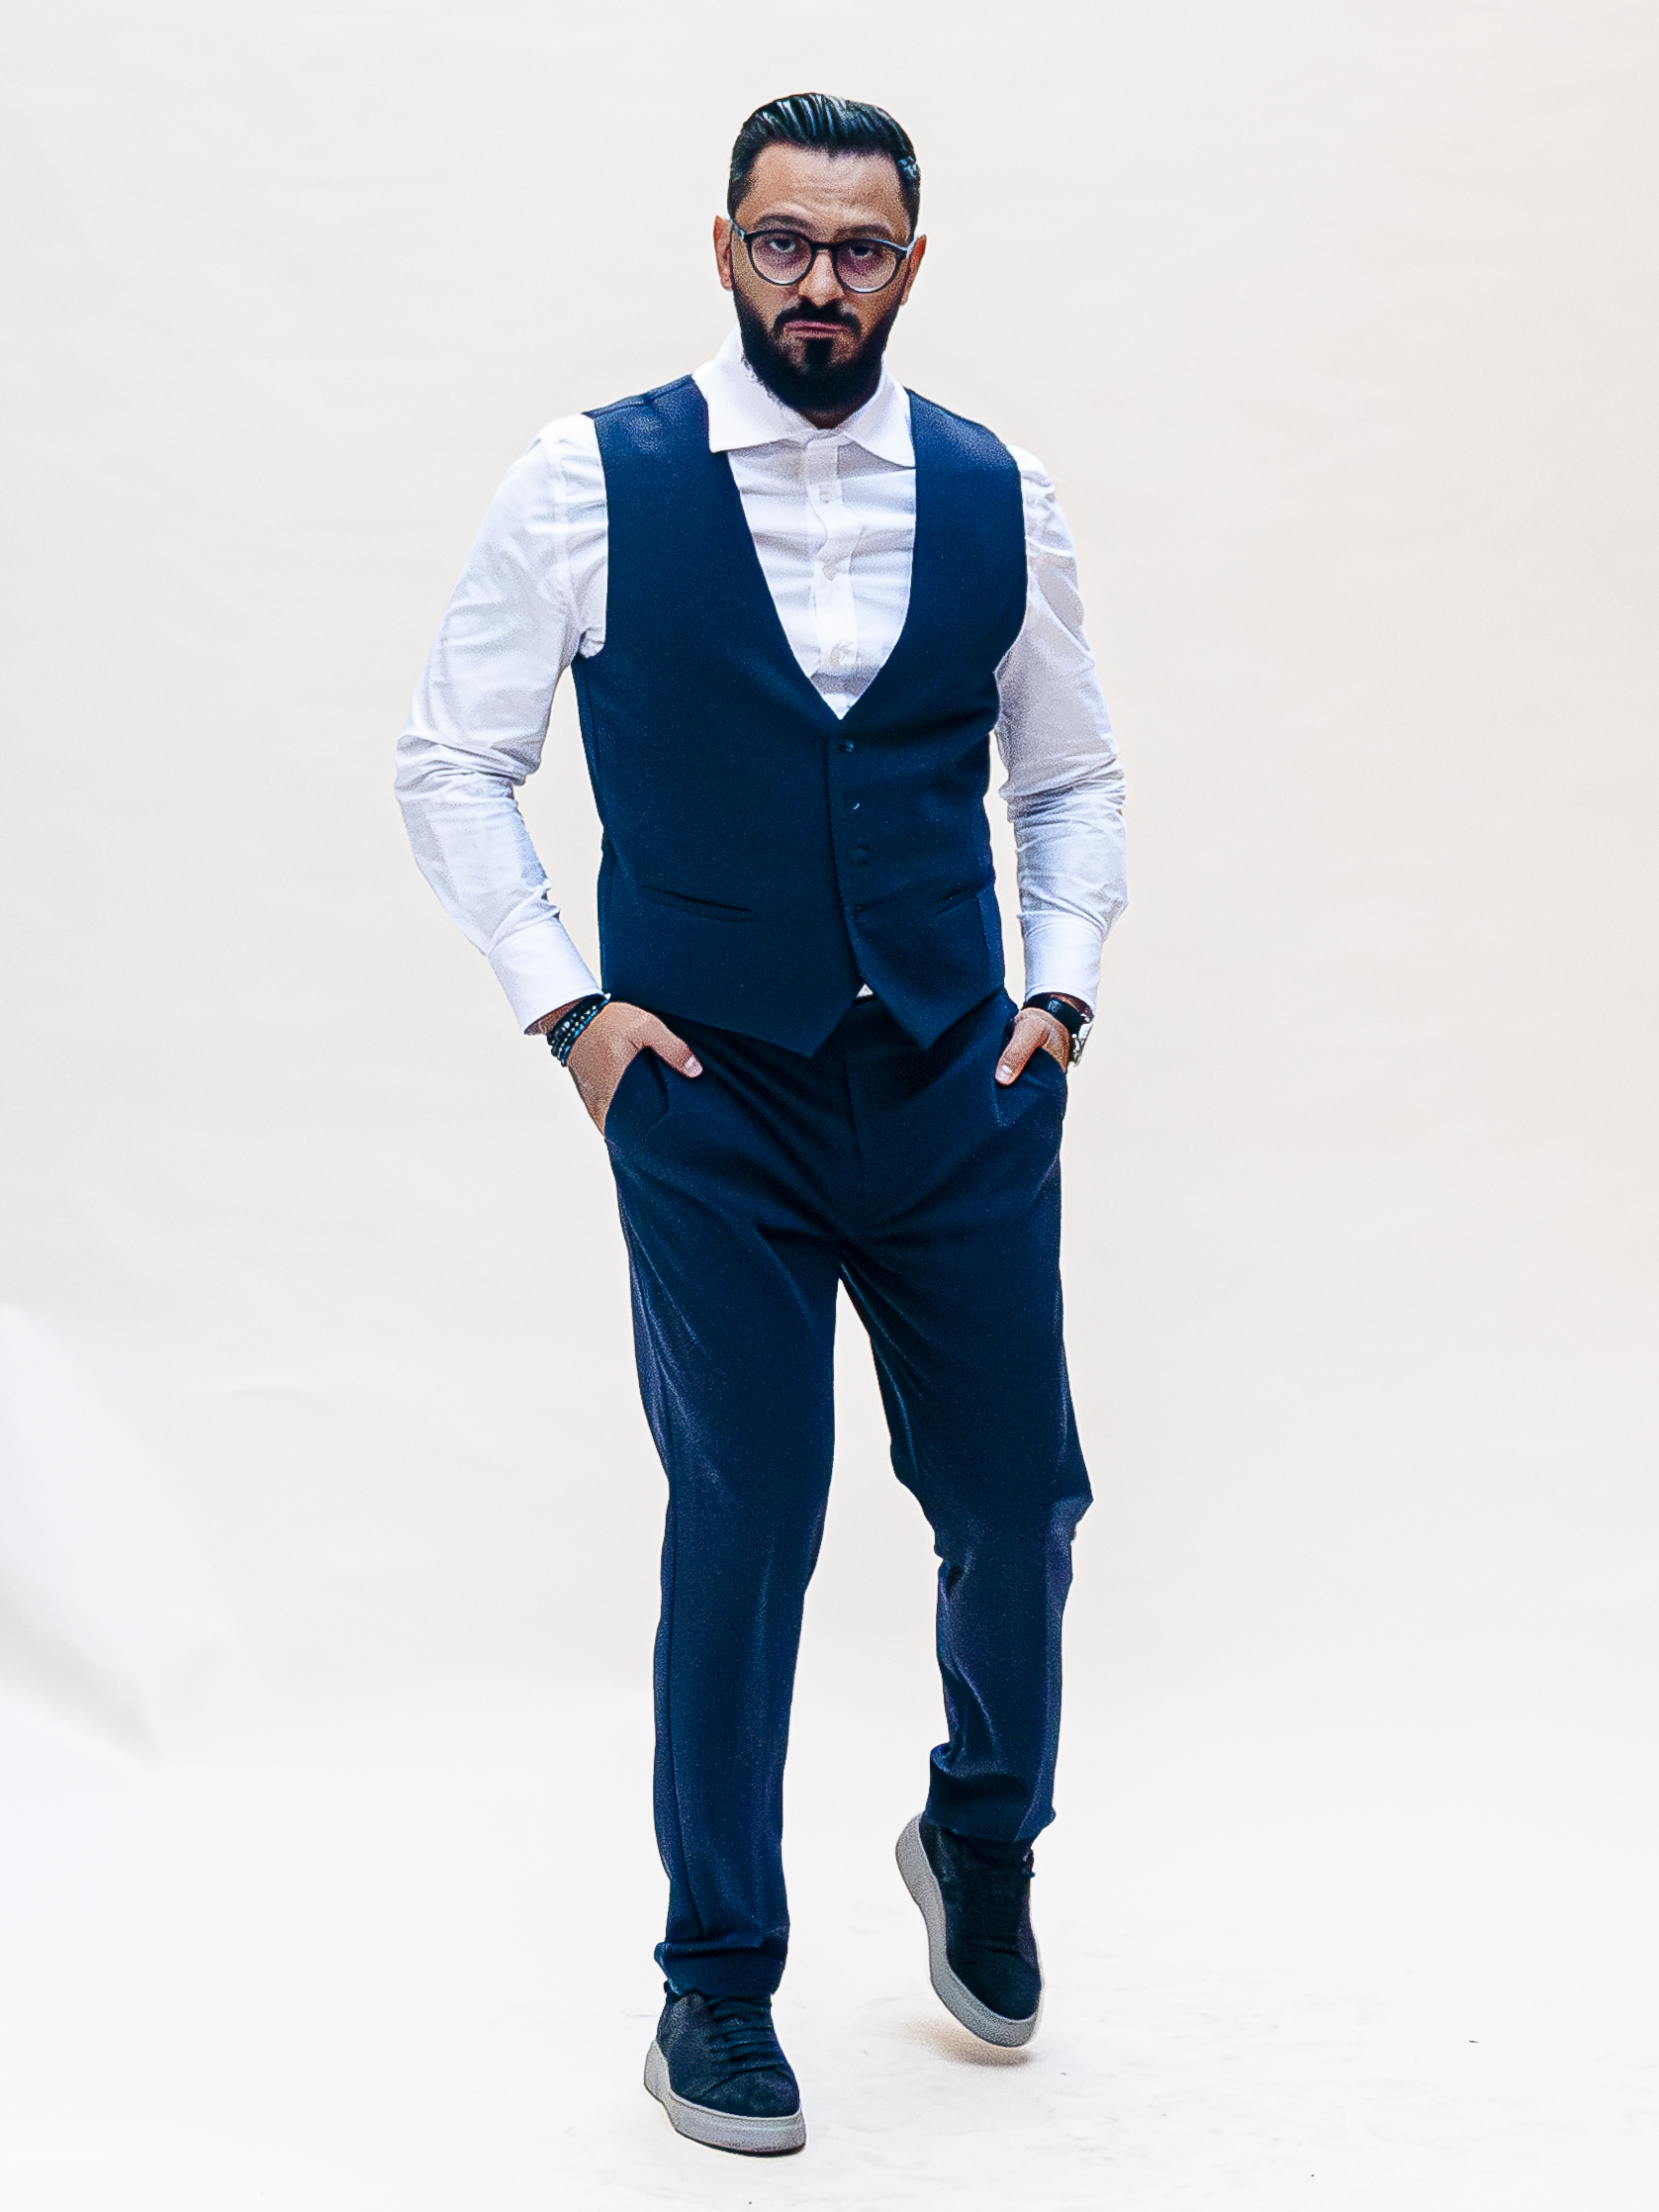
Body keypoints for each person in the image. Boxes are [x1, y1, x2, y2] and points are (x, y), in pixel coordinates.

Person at [396, 91, 1126, 2159]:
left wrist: (1059, 988)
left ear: (911, 266)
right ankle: (712, 1979)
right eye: (784, 242)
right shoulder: (589, 480)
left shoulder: (994, 490)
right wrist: (567, 1010)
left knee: (1018, 1499)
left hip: (958, 1081)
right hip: (707, 1092)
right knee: (746, 1516)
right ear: (723, 249)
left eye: (858, 248)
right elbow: (451, 756)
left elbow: (1067, 773)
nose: (820, 280)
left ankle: (979, 1832)